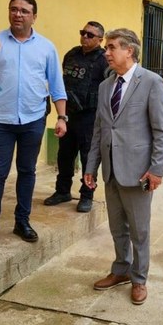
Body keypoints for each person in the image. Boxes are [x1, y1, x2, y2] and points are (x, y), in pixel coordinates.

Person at [0, 0, 67, 255]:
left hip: (33, 120)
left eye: (24, 10)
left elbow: (56, 86)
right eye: (13, 9)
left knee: (27, 172)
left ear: (34, 16)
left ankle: (21, 222)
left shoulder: (46, 47)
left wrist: (61, 116)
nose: (18, 14)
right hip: (1, 121)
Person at [84, 28, 163, 305]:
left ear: (128, 51)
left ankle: (139, 278)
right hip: (111, 169)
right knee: (116, 227)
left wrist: (156, 169)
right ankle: (120, 269)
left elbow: (161, 131)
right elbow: (100, 129)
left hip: (138, 171)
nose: (105, 53)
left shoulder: (152, 82)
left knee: (139, 229)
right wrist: (90, 165)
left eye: (111, 48)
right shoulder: (105, 85)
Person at [44, 21, 108, 213]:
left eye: (90, 35)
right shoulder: (72, 54)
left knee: (89, 158)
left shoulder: (104, 60)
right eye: (83, 33)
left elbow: (109, 88)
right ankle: (62, 190)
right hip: (69, 115)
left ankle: (86, 195)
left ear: (100, 39)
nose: (85, 37)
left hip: (90, 117)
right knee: (64, 155)